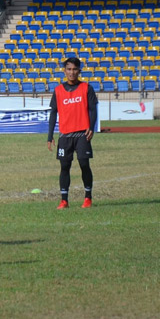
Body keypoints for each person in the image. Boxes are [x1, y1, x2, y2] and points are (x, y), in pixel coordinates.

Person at [47, 57, 98, 209]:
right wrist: (50, 136)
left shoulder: (86, 88)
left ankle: (88, 198)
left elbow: (93, 109)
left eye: (75, 69)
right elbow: (53, 113)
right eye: (69, 69)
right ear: (64, 71)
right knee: (64, 166)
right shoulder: (58, 90)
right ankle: (64, 200)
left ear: (79, 71)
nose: (72, 72)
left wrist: (91, 127)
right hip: (65, 135)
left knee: (84, 163)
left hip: (82, 133)